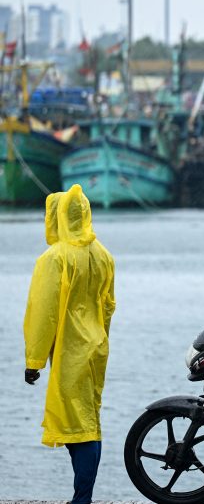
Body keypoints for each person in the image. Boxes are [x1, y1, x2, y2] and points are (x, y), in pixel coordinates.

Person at [24, 186, 116, 504]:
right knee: (88, 420)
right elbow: (108, 305)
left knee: (79, 427)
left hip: (69, 350)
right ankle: (83, 496)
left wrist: (34, 361)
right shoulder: (102, 254)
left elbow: (42, 313)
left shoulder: (54, 259)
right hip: (96, 347)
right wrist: (99, 336)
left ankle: (82, 499)